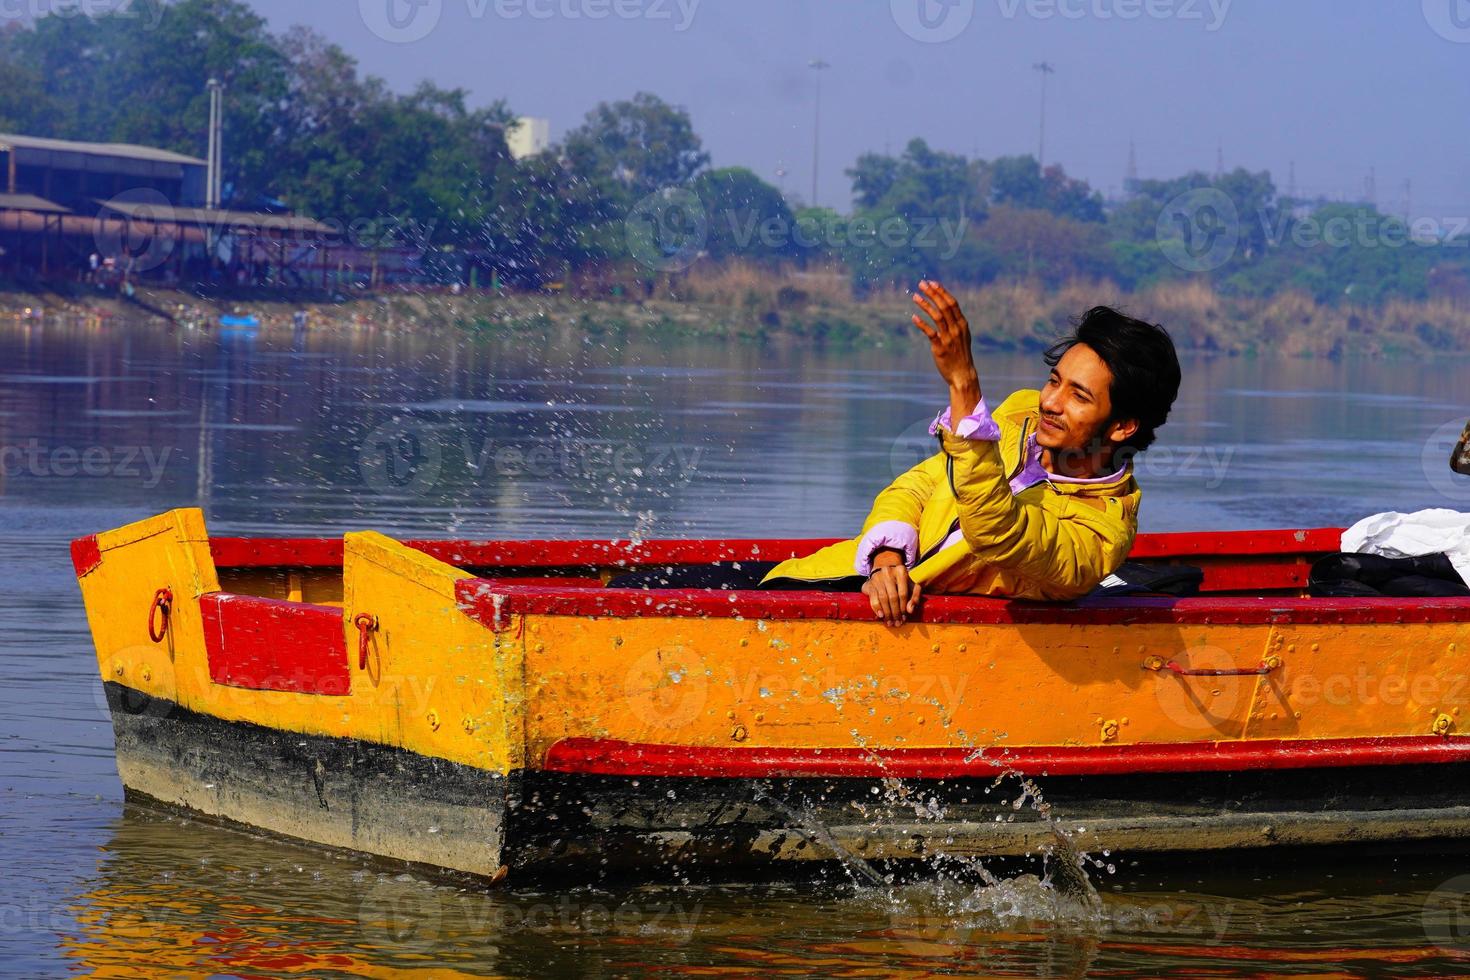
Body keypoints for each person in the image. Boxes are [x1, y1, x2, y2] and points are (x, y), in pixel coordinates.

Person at [610, 281, 1182, 624]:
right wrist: (886, 558)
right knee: (637, 585)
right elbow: (916, 486)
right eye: (1054, 380)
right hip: (850, 577)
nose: (1051, 402)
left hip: (900, 622)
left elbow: (998, 535)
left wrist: (963, 389)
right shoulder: (1017, 421)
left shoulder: (1101, 533)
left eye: (1077, 395)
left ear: (1124, 425)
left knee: (650, 603)